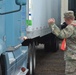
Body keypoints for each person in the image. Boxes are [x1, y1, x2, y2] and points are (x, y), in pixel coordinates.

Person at [48, 11, 76, 75]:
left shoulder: (71, 27)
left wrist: (52, 25)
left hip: (72, 57)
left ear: (66, 19)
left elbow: (61, 35)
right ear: (73, 17)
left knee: (70, 73)